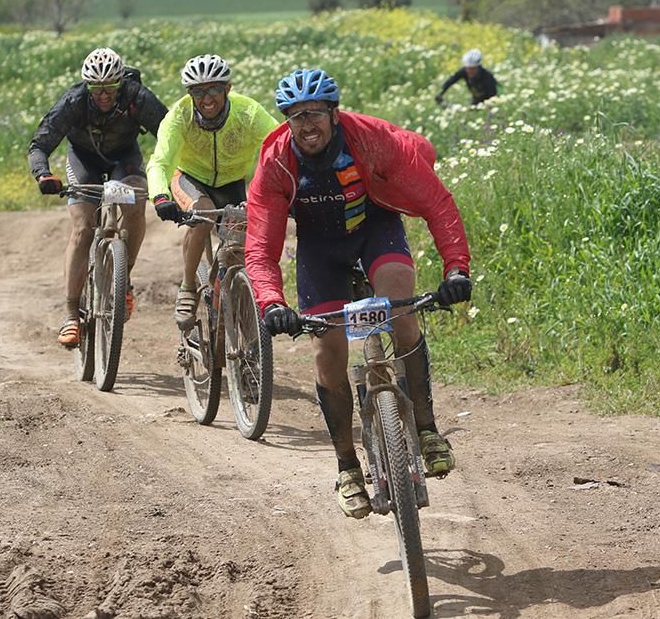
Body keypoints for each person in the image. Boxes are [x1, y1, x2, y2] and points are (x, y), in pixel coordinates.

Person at [244, 68, 473, 519]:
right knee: (326, 351)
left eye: (314, 113)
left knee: (401, 310)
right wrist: (272, 303)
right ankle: (347, 466)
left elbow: (437, 203)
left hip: (375, 229)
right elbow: (260, 247)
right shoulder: (275, 162)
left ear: (333, 112)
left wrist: (456, 270)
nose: (306, 124)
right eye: (294, 116)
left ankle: (426, 429)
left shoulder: (371, 140)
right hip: (319, 249)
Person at [28, 47, 167, 348]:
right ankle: (70, 315)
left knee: (135, 204)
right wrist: (43, 175)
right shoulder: (73, 101)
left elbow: (170, 136)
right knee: (82, 228)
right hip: (84, 160)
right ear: (87, 86)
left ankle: (122, 279)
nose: (104, 95)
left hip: (124, 160)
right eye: (97, 88)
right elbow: (39, 145)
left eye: (111, 87)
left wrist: (172, 176)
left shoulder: (137, 97)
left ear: (121, 82)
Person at [146, 54, 278, 328]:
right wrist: (160, 196)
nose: (206, 99)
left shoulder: (248, 112)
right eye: (198, 91)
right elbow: (159, 162)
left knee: (237, 250)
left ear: (227, 89)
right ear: (189, 93)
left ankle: (235, 304)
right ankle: (188, 286)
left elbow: (280, 147)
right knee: (202, 214)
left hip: (232, 183)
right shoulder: (179, 116)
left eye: (214, 89)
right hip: (190, 179)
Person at [434, 48, 498, 106]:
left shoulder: (487, 77)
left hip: (491, 100)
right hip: (476, 99)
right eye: (468, 68)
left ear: (478, 67)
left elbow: (493, 96)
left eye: (473, 69)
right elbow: (451, 81)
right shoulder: (464, 71)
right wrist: (441, 93)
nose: (470, 71)